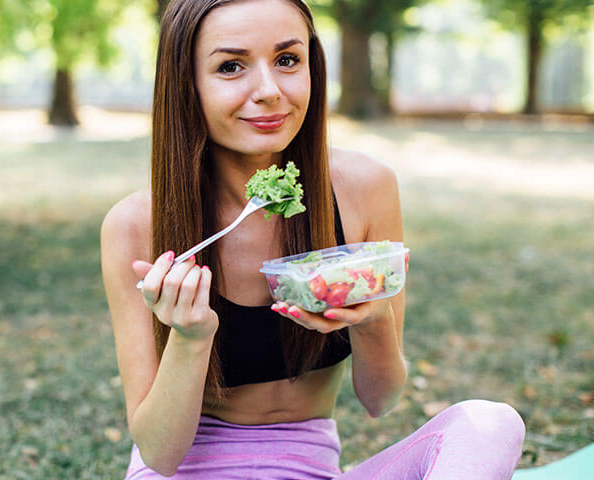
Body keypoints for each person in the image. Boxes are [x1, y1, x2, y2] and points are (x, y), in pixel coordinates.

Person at [100, 0, 525, 478]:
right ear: (186, 82)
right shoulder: (136, 225)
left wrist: (371, 317)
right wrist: (191, 338)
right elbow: (159, 453)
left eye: (287, 60)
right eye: (231, 66)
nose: (268, 91)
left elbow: (380, 399)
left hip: (309, 468)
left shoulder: (365, 189)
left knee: (491, 423)